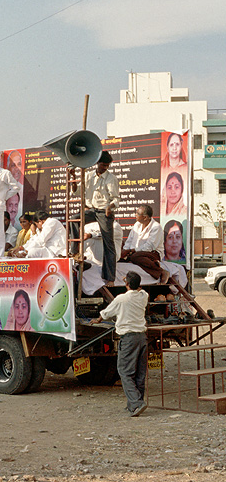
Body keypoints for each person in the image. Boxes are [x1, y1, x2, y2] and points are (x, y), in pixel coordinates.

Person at [90, 271, 149, 416]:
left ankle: (137, 403)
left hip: (129, 338)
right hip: (142, 337)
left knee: (124, 371)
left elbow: (106, 313)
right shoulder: (144, 296)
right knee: (140, 373)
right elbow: (141, 290)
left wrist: (96, 320)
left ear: (126, 284)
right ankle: (134, 404)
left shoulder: (121, 299)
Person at [69, 151, 120, 285]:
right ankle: (74, 251)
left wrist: (110, 207)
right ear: (97, 163)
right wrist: (73, 177)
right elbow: (75, 191)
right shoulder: (88, 176)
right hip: (91, 209)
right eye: (103, 165)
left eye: (107, 166)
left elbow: (116, 199)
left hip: (105, 212)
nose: (105, 168)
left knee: (108, 244)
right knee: (74, 219)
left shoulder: (111, 178)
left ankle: (110, 278)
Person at [120, 205, 168, 283]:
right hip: (135, 253)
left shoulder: (156, 227)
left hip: (152, 254)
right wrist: (124, 252)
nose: (135, 215)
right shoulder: (137, 225)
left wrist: (130, 251)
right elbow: (129, 241)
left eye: (137, 213)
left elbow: (149, 247)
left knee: (135, 257)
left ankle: (161, 271)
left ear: (145, 217)